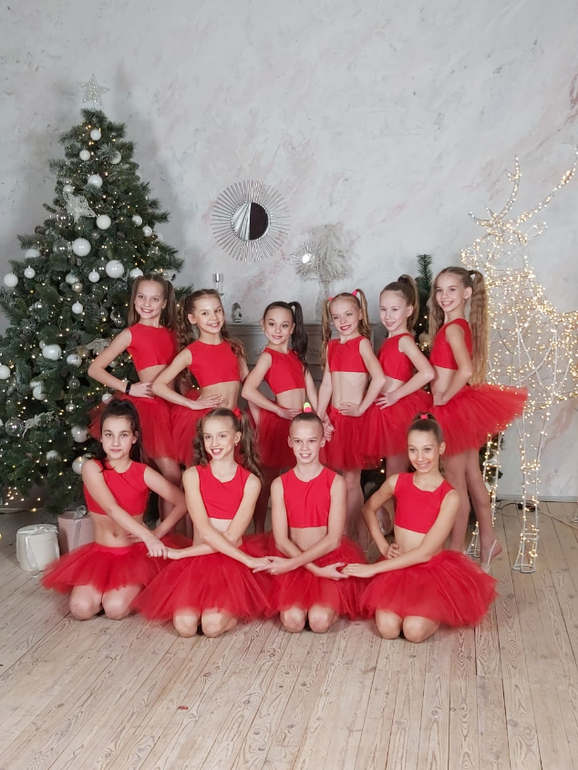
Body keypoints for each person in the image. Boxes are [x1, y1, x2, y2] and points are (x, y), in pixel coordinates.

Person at [344, 413, 497, 642]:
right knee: (388, 629)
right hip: (397, 566)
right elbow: (368, 509)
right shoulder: (397, 482)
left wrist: (373, 569)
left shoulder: (449, 496)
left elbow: (425, 553)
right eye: (413, 450)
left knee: (413, 632)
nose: (420, 457)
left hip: (430, 570)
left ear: (441, 448)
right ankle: (412, 610)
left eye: (427, 449)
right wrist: (383, 546)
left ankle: (434, 611)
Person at [42, 401, 188, 620]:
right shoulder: (92, 468)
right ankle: (106, 592)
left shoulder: (143, 472)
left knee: (115, 609)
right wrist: (148, 535)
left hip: (133, 556)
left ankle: (139, 585)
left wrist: (158, 533)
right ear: (101, 437)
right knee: (81, 609)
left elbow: (182, 502)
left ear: (134, 438)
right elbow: (111, 508)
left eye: (123, 435)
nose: (116, 442)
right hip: (100, 554)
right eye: (109, 435)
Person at [133, 408, 272, 637]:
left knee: (211, 627)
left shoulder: (251, 482)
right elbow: (205, 531)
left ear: (236, 437)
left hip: (231, 560)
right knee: (185, 627)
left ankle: (234, 609)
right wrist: (187, 556)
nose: (214, 443)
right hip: (198, 559)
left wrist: (180, 554)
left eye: (222, 436)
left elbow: (231, 538)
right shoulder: (192, 476)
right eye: (208, 437)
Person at [428, 267, 527, 567]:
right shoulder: (458, 325)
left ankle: (456, 552)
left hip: (454, 409)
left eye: (452, 290)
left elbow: (466, 370)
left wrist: (444, 397)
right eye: (440, 290)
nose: (444, 296)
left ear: (467, 293)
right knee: (471, 475)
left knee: (454, 481)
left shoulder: (453, 329)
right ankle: (488, 540)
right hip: (462, 408)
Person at [254, 412, 365, 633]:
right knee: (293, 622)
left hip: (327, 558)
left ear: (322, 441)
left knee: (319, 622)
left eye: (311, 441)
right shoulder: (279, 484)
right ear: (290, 442)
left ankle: (326, 602)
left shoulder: (336, 482)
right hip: (292, 555)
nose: (304, 448)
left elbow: (333, 540)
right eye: (298, 441)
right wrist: (310, 569)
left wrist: (318, 570)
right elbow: (281, 540)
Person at [87, 275, 181, 517]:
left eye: (154, 299)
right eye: (141, 297)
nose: (147, 304)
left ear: (164, 302)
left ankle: (172, 530)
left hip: (172, 404)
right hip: (150, 408)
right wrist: (128, 387)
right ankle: (166, 532)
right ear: (134, 300)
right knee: (171, 475)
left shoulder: (173, 333)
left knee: (176, 476)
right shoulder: (131, 333)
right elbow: (95, 369)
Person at [242, 300, 320, 532]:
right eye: (272, 324)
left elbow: (311, 392)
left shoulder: (296, 356)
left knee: (297, 477)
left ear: (292, 328)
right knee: (268, 480)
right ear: (263, 325)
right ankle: (259, 530)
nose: (277, 330)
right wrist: (278, 410)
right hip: (278, 423)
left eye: (284, 325)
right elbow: (247, 390)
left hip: (300, 423)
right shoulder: (268, 356)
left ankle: (296, 526)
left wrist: (320, 420)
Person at [152, 289, 248, 467]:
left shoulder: (234, 347)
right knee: (202, 470)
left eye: (217, 310)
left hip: (232, 419)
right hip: (207, 421)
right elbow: (158, 386)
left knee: (230, 471)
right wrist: (191, 404)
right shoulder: (191, 352)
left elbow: (248, 383)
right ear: (192, 318)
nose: (214, 317)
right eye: (205, 313)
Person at [317, 290, 386, 539]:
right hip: (334, 418)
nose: (342, 321)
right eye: (336, 317)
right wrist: (319, 417)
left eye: (348, 314)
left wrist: (361, 408)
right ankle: (354, 532)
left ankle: (344, 535)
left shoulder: (362, 343)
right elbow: (327, 384)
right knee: (337, 480)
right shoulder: (332, 346)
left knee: (350, 480)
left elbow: (379, 378)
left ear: (360, 314)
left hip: (355, 421)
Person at [369, 274, 434, 475]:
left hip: (397, 410)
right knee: (392, 471)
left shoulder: (404, 340)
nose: (388, 316)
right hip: (384, 409)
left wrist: (395, 395)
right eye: (383, 309)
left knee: (395, 472)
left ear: (408, 310)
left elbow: (427, 372)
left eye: (394, 310)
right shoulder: (390, 340)